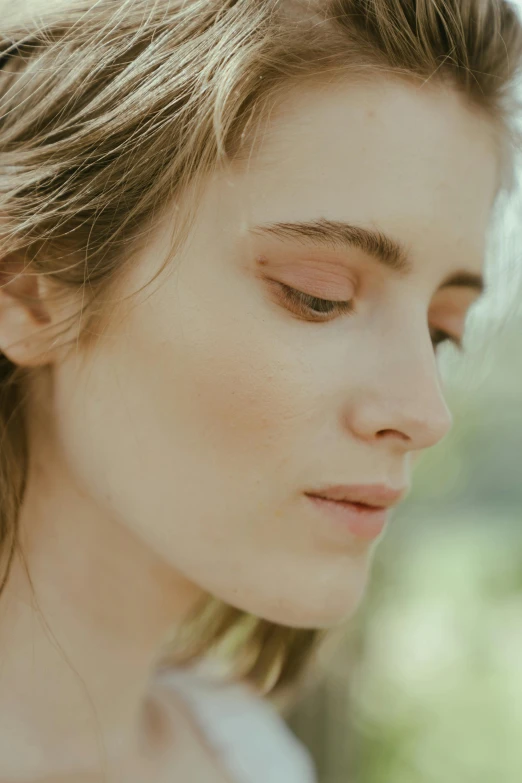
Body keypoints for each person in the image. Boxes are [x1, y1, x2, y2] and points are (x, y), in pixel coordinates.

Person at [0, 0, 521, 781]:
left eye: (441, 330)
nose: (424, 413)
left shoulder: (253, 758)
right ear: (31, 288)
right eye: (317, 295)